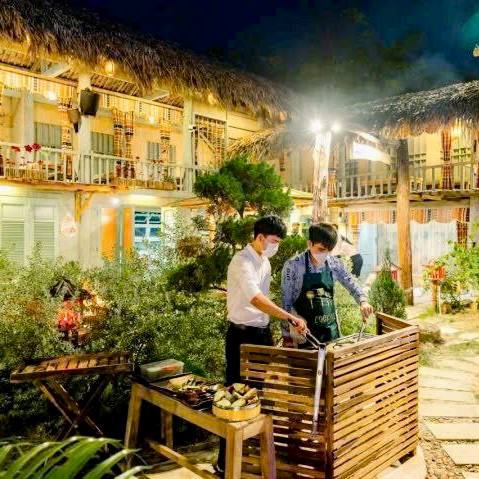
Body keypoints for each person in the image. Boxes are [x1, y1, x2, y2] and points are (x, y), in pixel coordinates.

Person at [215, 215, 308, 476]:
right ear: (260, 237)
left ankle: (249, 458)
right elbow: (256, 299)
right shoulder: (241, 261)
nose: (275, 246)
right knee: (234, 398)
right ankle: (224, 462)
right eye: (274, 241)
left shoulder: (264, 261)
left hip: (262, 334)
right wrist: (289, 317)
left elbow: (264, 303)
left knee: (258, 396)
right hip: (241, 335)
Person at [281, 223, 373, 346]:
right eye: (321, 249)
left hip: (330, 330)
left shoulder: (335, 263)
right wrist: (287, 335)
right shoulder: (293, 266)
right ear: (310, 244)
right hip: (303, 332)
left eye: (329, 250)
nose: (325, 254)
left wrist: (363, 301)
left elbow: (351, 283)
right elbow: (286, 302)